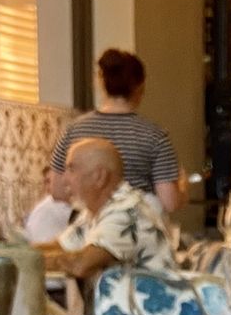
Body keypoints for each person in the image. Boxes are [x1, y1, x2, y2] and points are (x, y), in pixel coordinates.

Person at [51, 49, 183, 214]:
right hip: (134, 230)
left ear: (100, 82)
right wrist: (182, 190)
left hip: (86, 231)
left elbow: (57, 191)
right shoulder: (155, 136)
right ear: (140, 87)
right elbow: (169, 203)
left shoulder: (73, 130)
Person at [39, 137, 176, 285]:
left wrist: (22, 259)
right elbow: (60, 246)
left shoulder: (127, 211)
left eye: (72, 169)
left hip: (147, 306)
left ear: (99, 177)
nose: (65, 179)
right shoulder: (94, 211)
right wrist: (15, 253)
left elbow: (80, 264)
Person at [22, 165, 75, 244]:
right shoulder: (45, 211)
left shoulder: (75, 205)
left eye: (50, 181)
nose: (49, 187)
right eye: (47, 182)